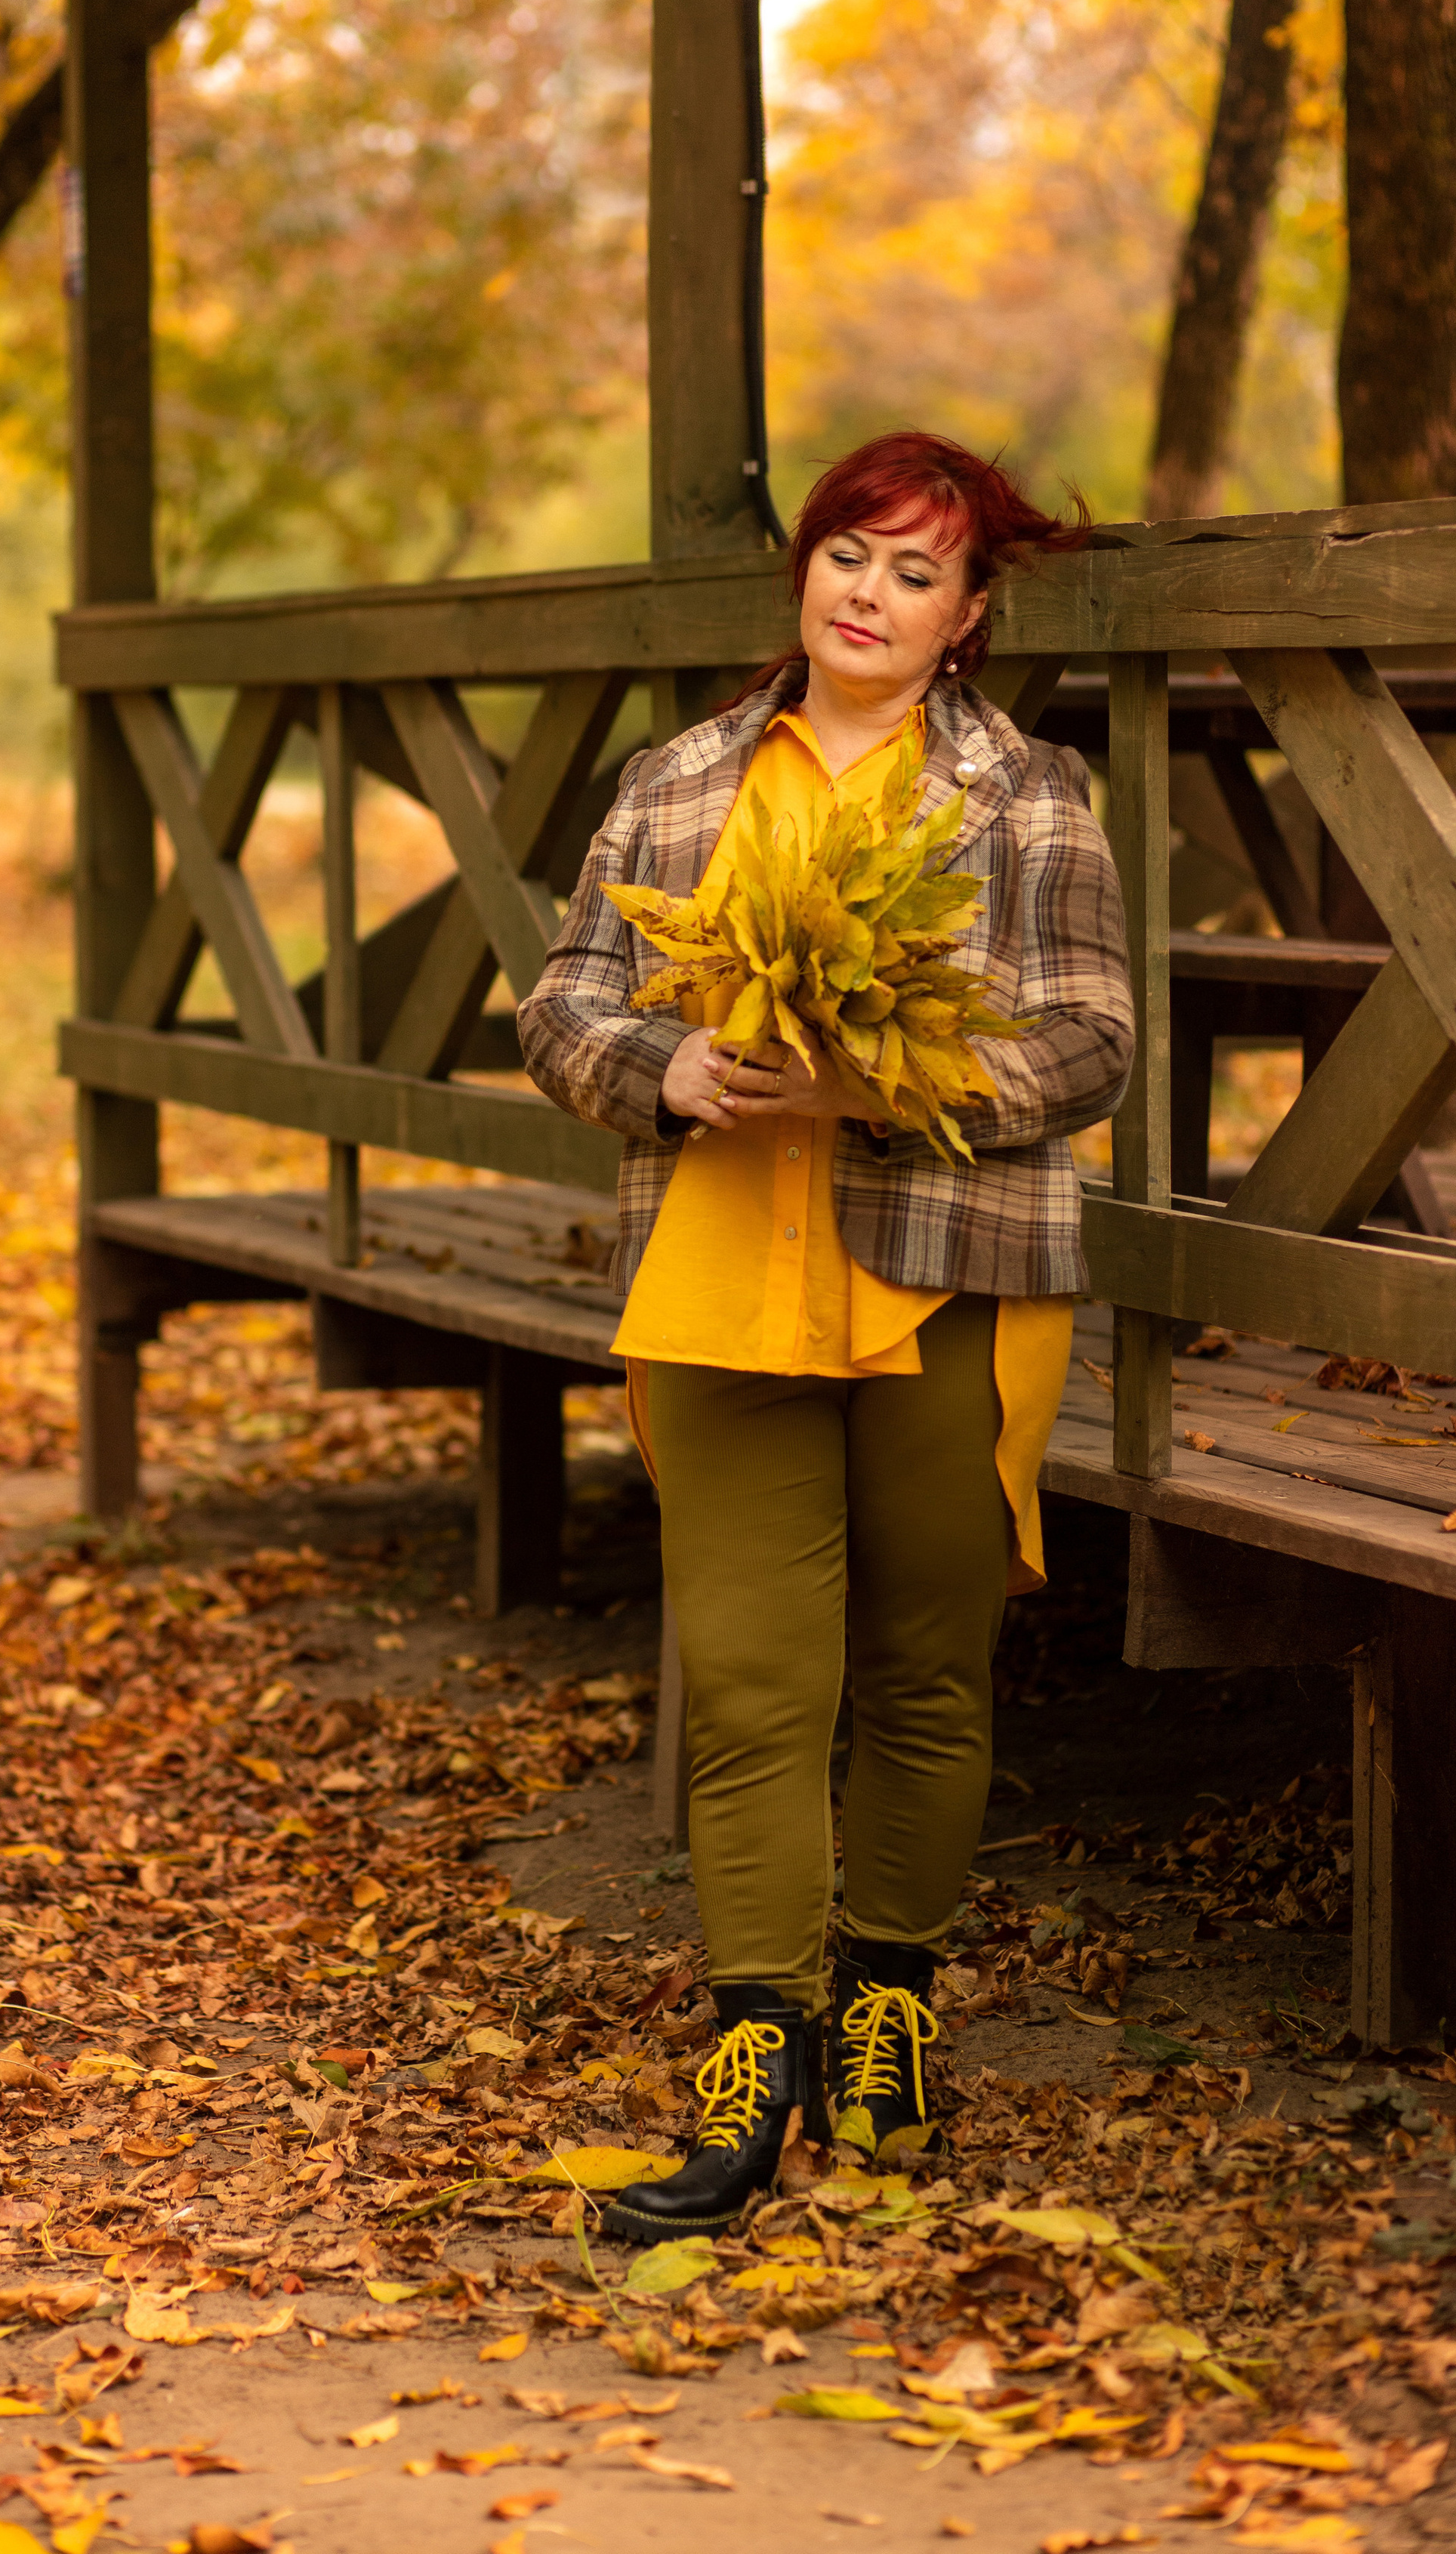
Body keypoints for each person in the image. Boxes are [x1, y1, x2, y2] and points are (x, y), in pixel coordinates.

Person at [517, 431, 1134, 2242]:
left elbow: (1095, 1041)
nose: (867, 595)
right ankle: (752, 2051)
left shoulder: (1025, 801)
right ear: (805, 573)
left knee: (928, 1675)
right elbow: (562, 1004)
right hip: (714, 1281)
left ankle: (890, 2014)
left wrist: (893, 1086)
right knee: (757, 1688)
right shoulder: (679, 775)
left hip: (942, 1275)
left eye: (913, 573)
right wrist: (661, 1063)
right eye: (846, 556)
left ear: (967, 615)